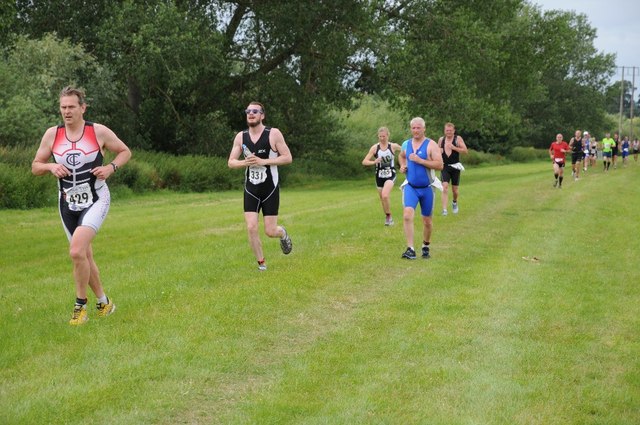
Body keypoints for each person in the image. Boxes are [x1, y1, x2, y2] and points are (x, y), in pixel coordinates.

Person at [31, 86, 131, 325]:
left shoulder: (98, 131)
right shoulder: (52, 135)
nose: (67, 111)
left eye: (71, 107)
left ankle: (80, 306)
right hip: (66, 203)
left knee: (76, 251)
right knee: (83, 254)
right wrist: (50, 167)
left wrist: (110, 167)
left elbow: (125, 151)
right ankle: (104, 303)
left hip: (96, 198)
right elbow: (36, 165)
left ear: (83, 108)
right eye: (63, 107)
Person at [228, 101, 293, 271]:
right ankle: (261, 264)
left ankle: (283, 234)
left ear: (262, 115)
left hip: (270, 188)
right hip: (251, 188)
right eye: (248, 111)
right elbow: (231, 162)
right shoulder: (241, 137)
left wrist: (264, 161)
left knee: (270, 231)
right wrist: (245, 163)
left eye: (255, 111)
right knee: (251, 226)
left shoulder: (273, 134)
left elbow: (287, 157)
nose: (251, 113)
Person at [398, 117, 444, 259]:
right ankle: (410, 249)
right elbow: (401, 156)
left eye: (419, 128)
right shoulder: (406, 144)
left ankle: (425, 245)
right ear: (411, 129)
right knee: (407, 215)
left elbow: (440, 165)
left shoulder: (431, 145)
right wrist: (402, 165)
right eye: (413, 128)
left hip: (427, 188)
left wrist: (421, 161)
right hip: (411, 187)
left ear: (424, 129)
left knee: (427, 221)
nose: (416, 130)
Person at [362, 127, 402, 225]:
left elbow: (406, 151)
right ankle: (388, 217)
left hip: (390, 174)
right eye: (380, 136)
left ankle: (389, 217)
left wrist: (404, 163)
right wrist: (374, 162)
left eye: (384, 136)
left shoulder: (393, 146)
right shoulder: (375, 148)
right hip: (379, 175)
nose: (382, 138)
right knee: (382, 199)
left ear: (388, 135)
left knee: (385, 195)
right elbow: (364, 161)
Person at [438, 122, 468, 215]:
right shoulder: (441, 140)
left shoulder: (457, 139)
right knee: (445, 187)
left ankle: (454, 202)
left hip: (455, 166)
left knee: (455, 190)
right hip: (445, 166)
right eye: (447, 130)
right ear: (444, 131)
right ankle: (444, 210)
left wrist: (454, 147)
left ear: (454, 131)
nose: (449, 132)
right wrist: (439, 151)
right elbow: (436, 151)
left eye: (450, 131)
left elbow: (465, 151)